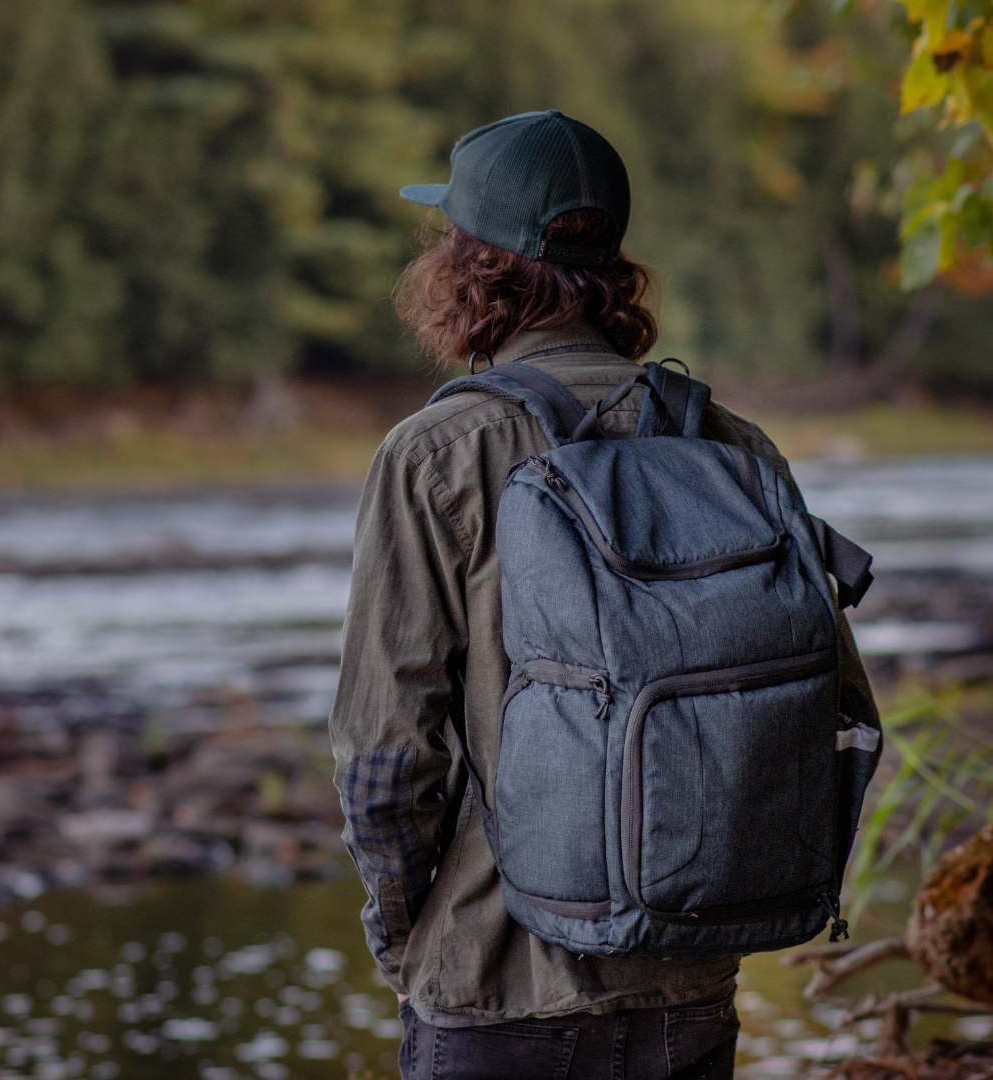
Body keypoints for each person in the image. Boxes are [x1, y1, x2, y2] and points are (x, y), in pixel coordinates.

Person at [329, 110, 877, 1080]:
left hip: (491, 995)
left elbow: (383, 760)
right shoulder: (735, 449)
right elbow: (842, 715)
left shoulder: (435, 456)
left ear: (468, 266)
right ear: (611, 265)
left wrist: (408, 948)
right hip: (687, 996)